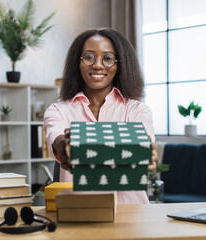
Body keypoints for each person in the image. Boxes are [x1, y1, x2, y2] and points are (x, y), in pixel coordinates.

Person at [44, 28, 157, 204]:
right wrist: (63, 145)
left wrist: (146, 152)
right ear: (78, 62)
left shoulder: (137, 110)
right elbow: (55, 139)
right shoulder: (58, 111)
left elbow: (145, 146)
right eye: (89, 57)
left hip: (132, 216)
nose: (97, 65)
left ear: (120, 64)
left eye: (108, 58)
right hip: (78, 214)